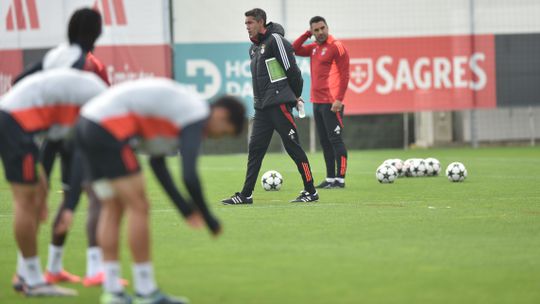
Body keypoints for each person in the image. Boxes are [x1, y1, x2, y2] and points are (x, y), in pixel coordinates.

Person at [73, 78, 245, 304]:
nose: (217, 137)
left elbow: (157, 164)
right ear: (221, 114)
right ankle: (146, 291)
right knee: (139, 206)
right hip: (108, 128)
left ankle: (112, 291)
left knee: (112, 207)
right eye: (223, 132)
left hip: (86, 123)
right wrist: (209, 218)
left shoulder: (180, 112)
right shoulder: (196, 114)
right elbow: (189, 176)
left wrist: (185, 210)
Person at [11, 7, 118, 287]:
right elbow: (95, 104)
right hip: (70, 134)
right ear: (97, 31)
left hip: (48, 136)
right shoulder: (87, 64)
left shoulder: (57, 53)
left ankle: (43, 268)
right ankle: (95, 269)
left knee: (37, 200)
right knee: (91, 195)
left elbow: (18, 81)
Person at [0, 68, 108, 297]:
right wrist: (69, 206)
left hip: (16, 122)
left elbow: (54, 145)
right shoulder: (96, 108)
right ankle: (30, 280)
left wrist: (45, 190)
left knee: (36, 194)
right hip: (15, 124)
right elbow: (80, 155)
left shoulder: (86, 99)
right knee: (24, 202)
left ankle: (26, 276)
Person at [222, 8, 319, 205]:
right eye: (246, 24)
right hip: (262, 109)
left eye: (250, 23)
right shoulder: (254, 49)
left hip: (279, 105)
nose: (247, 27)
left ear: (261, 22)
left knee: (293, 148)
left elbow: (293, 71)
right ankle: (246, 194)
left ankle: (311, 191)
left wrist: (294, 97)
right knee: (255, 150)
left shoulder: (276, 40)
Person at [292, 16, 350, 189]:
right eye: (315, 30)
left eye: (322, 28)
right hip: (317, 102)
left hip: (332, 102)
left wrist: (339, 99)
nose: (320, 32)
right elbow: (294, 49)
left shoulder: (336, 47)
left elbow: (345, 75)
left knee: (335, 140)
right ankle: (330, 178)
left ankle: (340, 179)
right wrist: (306, 34)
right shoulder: (315, 48)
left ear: (327, 27)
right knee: (324, 141)